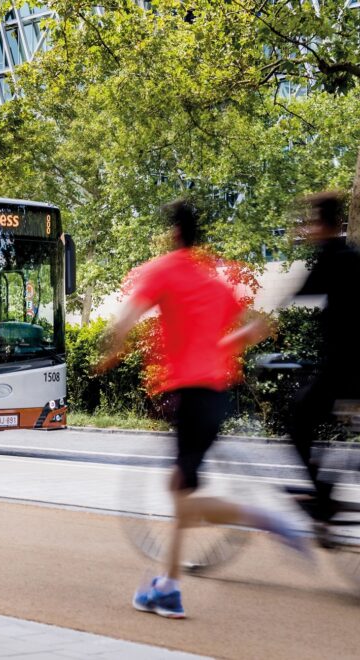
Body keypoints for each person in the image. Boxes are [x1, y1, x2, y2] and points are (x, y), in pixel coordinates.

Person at [98, 199, 306, 619]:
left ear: (174, 233)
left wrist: (111, 355)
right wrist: (221, 348)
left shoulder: (163, 269)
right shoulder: (214, 279)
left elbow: (124, 321)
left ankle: (264, 518)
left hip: (188, 395)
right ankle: (168, 587)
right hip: (216, 393)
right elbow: (261, 325)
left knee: (184, 495)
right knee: (183, 491)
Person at [286, 191, 360, 520]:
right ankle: (327, 491)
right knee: (338, 426)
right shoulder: (353, 255)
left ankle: (323, 494)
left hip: (341, 371)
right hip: (350, 373)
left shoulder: (331, 257)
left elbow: (299, 295)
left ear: (322, 224)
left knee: (298, 420)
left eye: (312, 222)